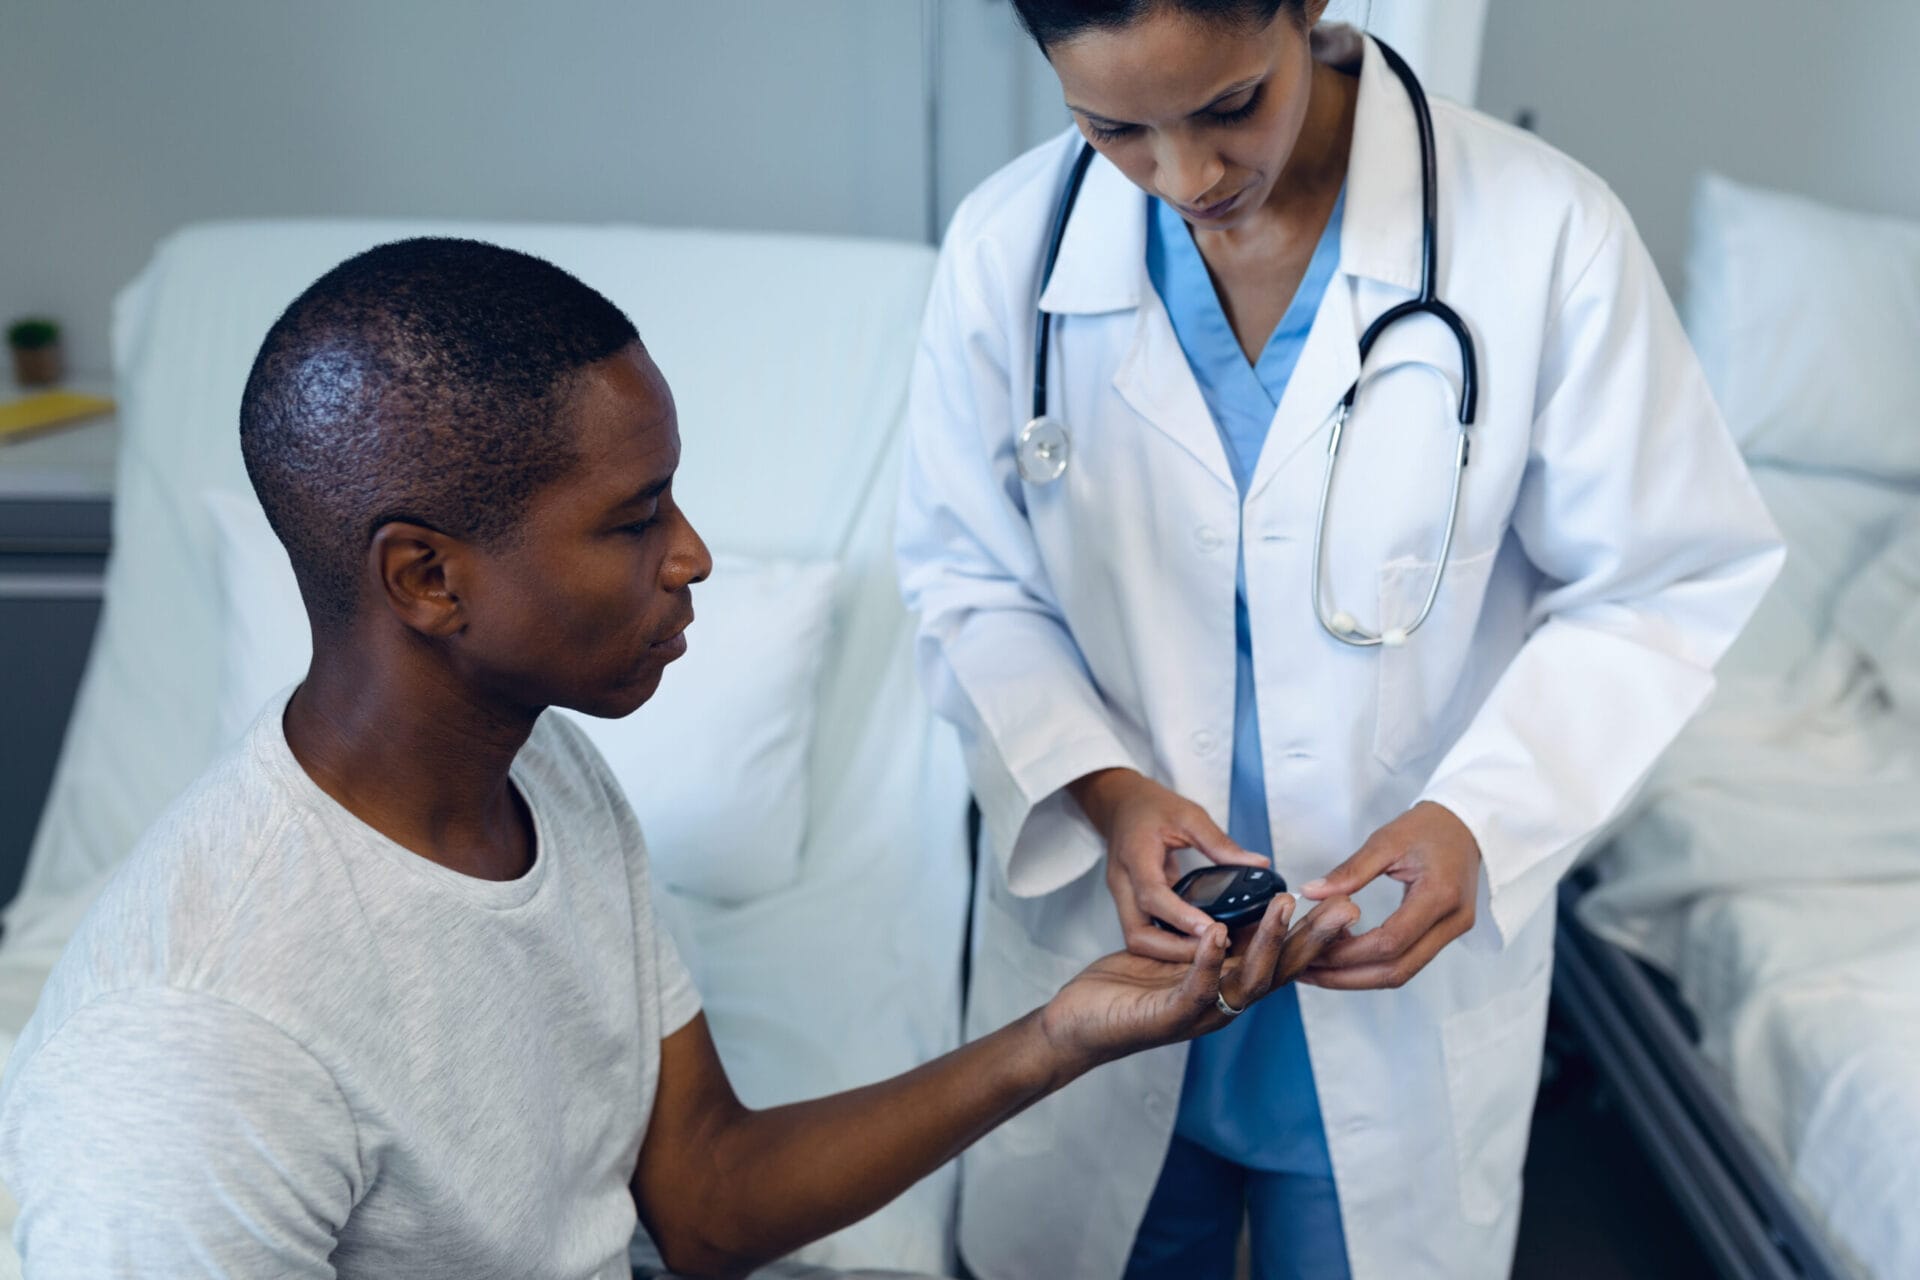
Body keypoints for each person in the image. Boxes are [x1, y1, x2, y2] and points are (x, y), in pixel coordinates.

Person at [0, 238, 1358, 1279]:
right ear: (426, 578)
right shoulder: (198, 1050)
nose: (695, 555)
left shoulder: (545, 783)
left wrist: (1065, 1032)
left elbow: (701, 1199)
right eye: (636, 520)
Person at [894, 3, 1783, 1278]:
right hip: (1117, 954)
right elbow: (964, 575)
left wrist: (1482, 814)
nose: (1186, 177)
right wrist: (1105, 791)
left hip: (1393, 981)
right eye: (1113, 129)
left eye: (1230, 106)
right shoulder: (1006, 247)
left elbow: (1664, 578)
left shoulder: (1542, 231)